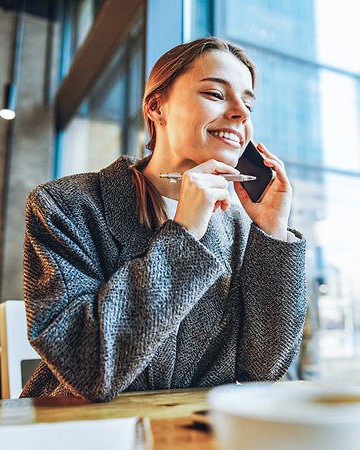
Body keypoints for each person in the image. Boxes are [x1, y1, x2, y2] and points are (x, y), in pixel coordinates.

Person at [20, 37, 307, 402]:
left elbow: (263, 368)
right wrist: (184, 232)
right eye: (216, 95)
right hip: (81, 428)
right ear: (157, 107)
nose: (241, 112)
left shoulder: (237, 227)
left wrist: (272, 233)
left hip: (193, 431)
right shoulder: (65, 206)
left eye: (248, 102)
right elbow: (89, 368)